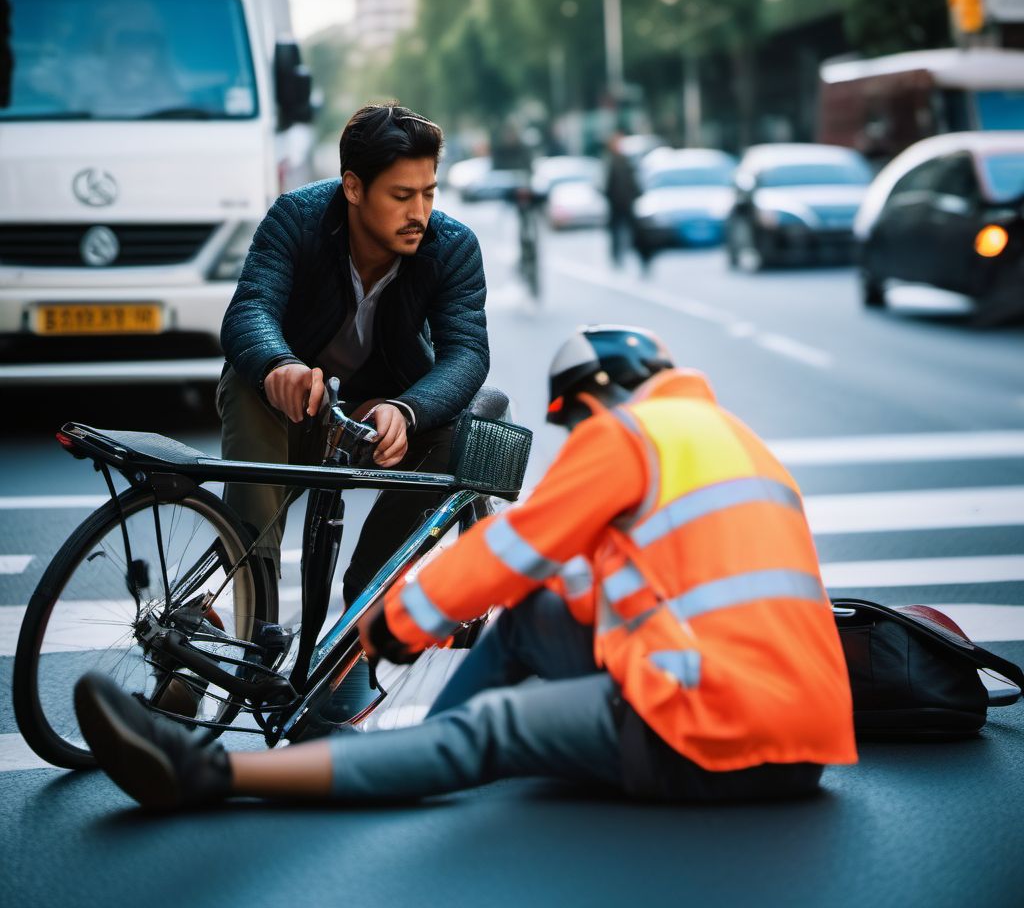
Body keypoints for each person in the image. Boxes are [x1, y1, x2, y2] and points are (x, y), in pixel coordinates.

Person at [73, 325, 858, 810]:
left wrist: (398, 623)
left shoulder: (630, 434)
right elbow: (600, 585)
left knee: (494, 731)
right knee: (533, 622)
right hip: (805, 738)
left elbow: (514, 550)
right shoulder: (741, 445)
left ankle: (209, 776)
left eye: (574, 419)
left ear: (600, 395)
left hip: (708, 732)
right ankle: (407, 759)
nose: (577, 435)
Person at [215, 102, 489, 683]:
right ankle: (252, 614)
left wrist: (408, 410)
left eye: (429, 193)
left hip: (379, 419)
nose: (420, 212)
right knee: (246, 383)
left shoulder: (453, 247)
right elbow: (249, 310)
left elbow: (467, 354)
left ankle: (365, 604)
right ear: (353, 188)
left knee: (470, 429)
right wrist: (277, 365)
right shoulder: (296, 218)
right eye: (401, 196)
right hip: (297, 406)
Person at [604, 131, 640, 270]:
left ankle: (636, 254)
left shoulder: (626, 160)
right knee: (615, 232)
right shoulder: (610, 161)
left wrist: (636, 194)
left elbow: (632, 180)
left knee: (633, 229)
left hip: (627, 201)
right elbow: (607, 183)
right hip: (615, 203)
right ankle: (616, 257)